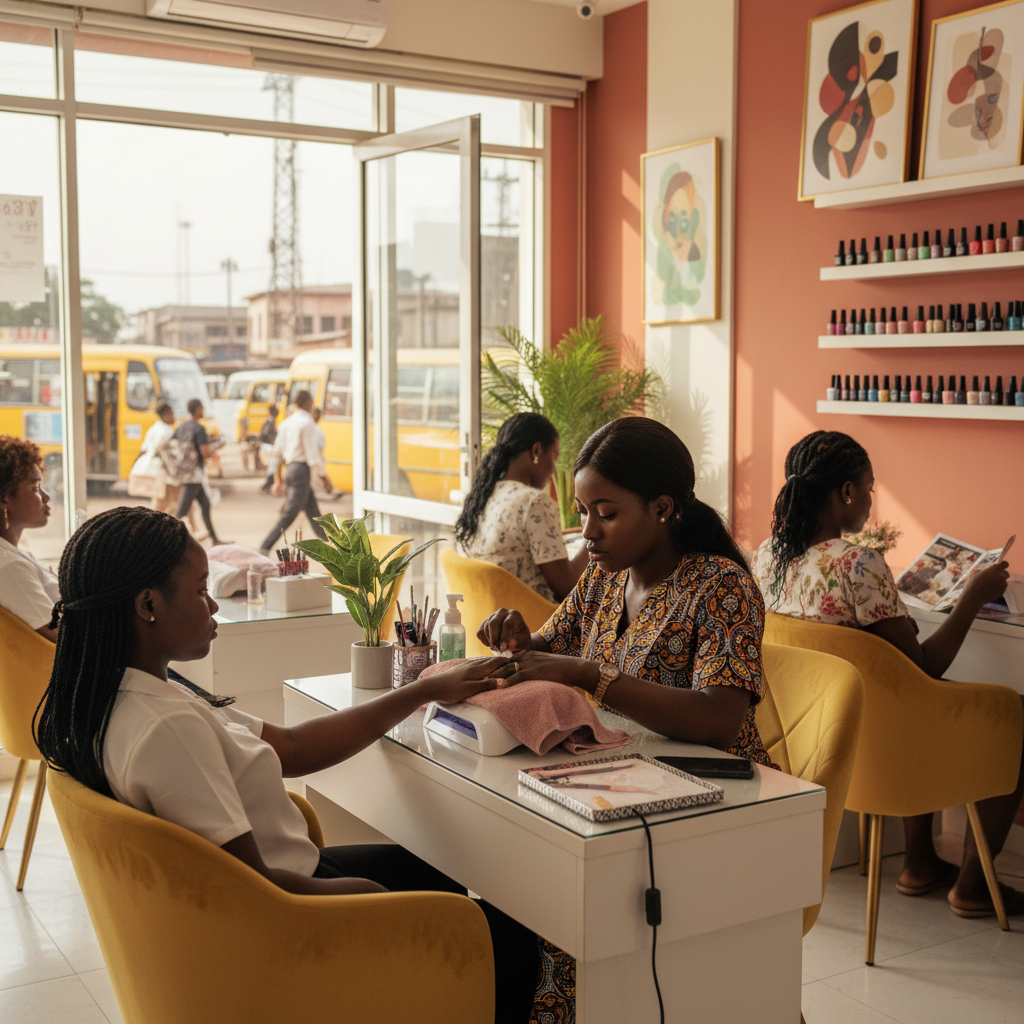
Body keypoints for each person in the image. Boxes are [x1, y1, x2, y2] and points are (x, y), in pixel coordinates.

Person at [34, 506, 539, 1023]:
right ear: (147, 605)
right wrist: (372, 902)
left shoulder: (114, 698)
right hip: (287, 923)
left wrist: (425, 689)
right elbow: (256, 891)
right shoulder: (167, 731)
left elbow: (294, 749)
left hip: (268, 898)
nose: (212, 605)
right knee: (519, 933)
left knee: (444, 869)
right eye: (200, 589)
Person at [750, 429, 1024, 919]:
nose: (871, 501)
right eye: (869, 488)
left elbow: (894, 671)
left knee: (917, 701)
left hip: (820, 735)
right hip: (886, 736)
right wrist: (972, 597)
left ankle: (919, 862)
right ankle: (974, 885)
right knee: (1011, 716)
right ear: (847, 492)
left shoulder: (770, 555)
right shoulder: (859, 562)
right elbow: (923, 666)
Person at [478, 416, 776, 765]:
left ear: (662, 508)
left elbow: (719, 722)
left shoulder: (721, 585)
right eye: (582, 512)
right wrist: (518, 640)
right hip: (628, 768)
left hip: (725, 789)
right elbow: (550, 646)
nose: (588, 531)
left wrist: (588, 674)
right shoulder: (603, 576)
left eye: (605, 514)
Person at [453, 413, 588, 603]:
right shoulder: (533, 502)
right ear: (536, 451)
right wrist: (594, 537)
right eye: (554, 457)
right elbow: (566, 588)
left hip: (487, 619)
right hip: (530, 625)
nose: (553, 469)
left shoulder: (481, 496)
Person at [258, 391, 332, 555]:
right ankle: (264, 547)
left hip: (290, 470)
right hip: (301, 471)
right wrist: (325, 478)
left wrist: (278, 478)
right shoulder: (308, 423)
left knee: (314, 515)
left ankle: (335, 547)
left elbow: (277, 454)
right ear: (308, 402)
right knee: (290, 513)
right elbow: (313, 457)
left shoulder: (286, 423)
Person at [0, 436, 59, 641]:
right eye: (35, 488)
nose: (46, 497)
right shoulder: (9, 566)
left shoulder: (14, 554)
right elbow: (62, 636)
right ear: (4, 498)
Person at [172, 399, 225, 545]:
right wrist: (219, 445)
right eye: (201, 408)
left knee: (205, 505)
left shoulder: (181, 426)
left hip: (185, 472)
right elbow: (204, 452)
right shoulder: (199, 428)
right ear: (198, 409)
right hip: (194, 475)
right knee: (180, 512)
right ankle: (168, 539)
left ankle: (214, 539)